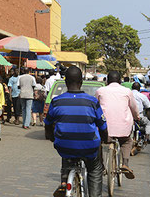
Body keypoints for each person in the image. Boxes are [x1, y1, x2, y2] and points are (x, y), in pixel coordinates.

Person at [44, 66, 107, 197]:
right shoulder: (92, 102)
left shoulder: (56, 101)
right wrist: (105, 139)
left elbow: (48, 124)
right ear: (81, 82)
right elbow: (102, 126)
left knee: (66, 151)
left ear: (66, 82)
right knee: (95, 169)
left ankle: (64, 181)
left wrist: (51, 137)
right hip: (89, 147)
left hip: (64, 146)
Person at [95, 70, 139, 179]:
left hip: (105, 129)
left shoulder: (100, 91)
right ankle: (125, 163)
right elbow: (134, 108)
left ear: (107, 81)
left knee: (98, 143)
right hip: (123, 128)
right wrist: (137, 117)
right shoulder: (127, 91)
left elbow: (95, 107)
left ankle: (100, 165)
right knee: (127, 141)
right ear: (120, 81)